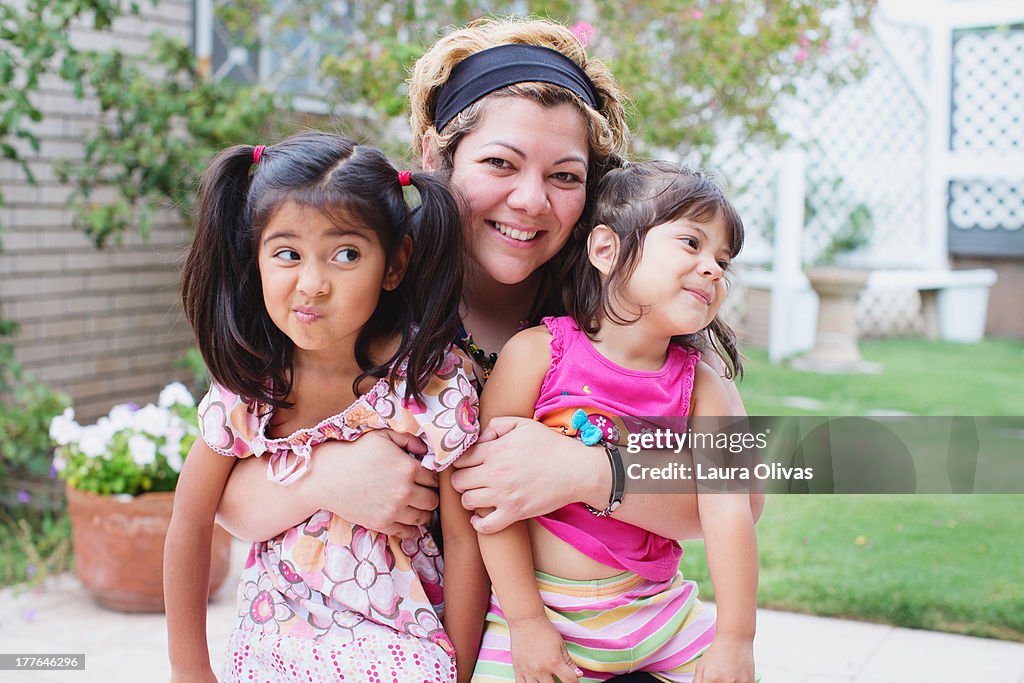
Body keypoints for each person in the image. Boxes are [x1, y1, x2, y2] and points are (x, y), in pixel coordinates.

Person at [215, 17, 761, 679]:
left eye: (564, 175)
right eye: (499, 163)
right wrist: (326, 476)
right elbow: (229, 493)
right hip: (389, 644)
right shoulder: (364, 293)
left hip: (571, 639)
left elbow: (741, 496)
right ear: (434, 155)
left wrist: (588, 472)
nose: (530, 199)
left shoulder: (613, 315)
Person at [164, 132, 488, 682]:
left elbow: (463, 539)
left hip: (401, 642)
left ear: (394, 264)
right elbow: (190, 521)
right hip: (275, 640)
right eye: (287, 254)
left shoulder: (428, 382)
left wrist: (460, 671)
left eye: (346, 255)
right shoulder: (251, 385)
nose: (312, 285)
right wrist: (190, 670)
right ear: (256, 259)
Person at [471, 161, 758, 683]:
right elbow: (489, 500)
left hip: (660, 614)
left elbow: (730, 514)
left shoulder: (705, 390)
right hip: (547, 613)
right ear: (606, 250)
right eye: (692, 244)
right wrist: (526, 621)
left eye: (723, 259)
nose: (715, 269)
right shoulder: (538, 356)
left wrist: (736, 641)